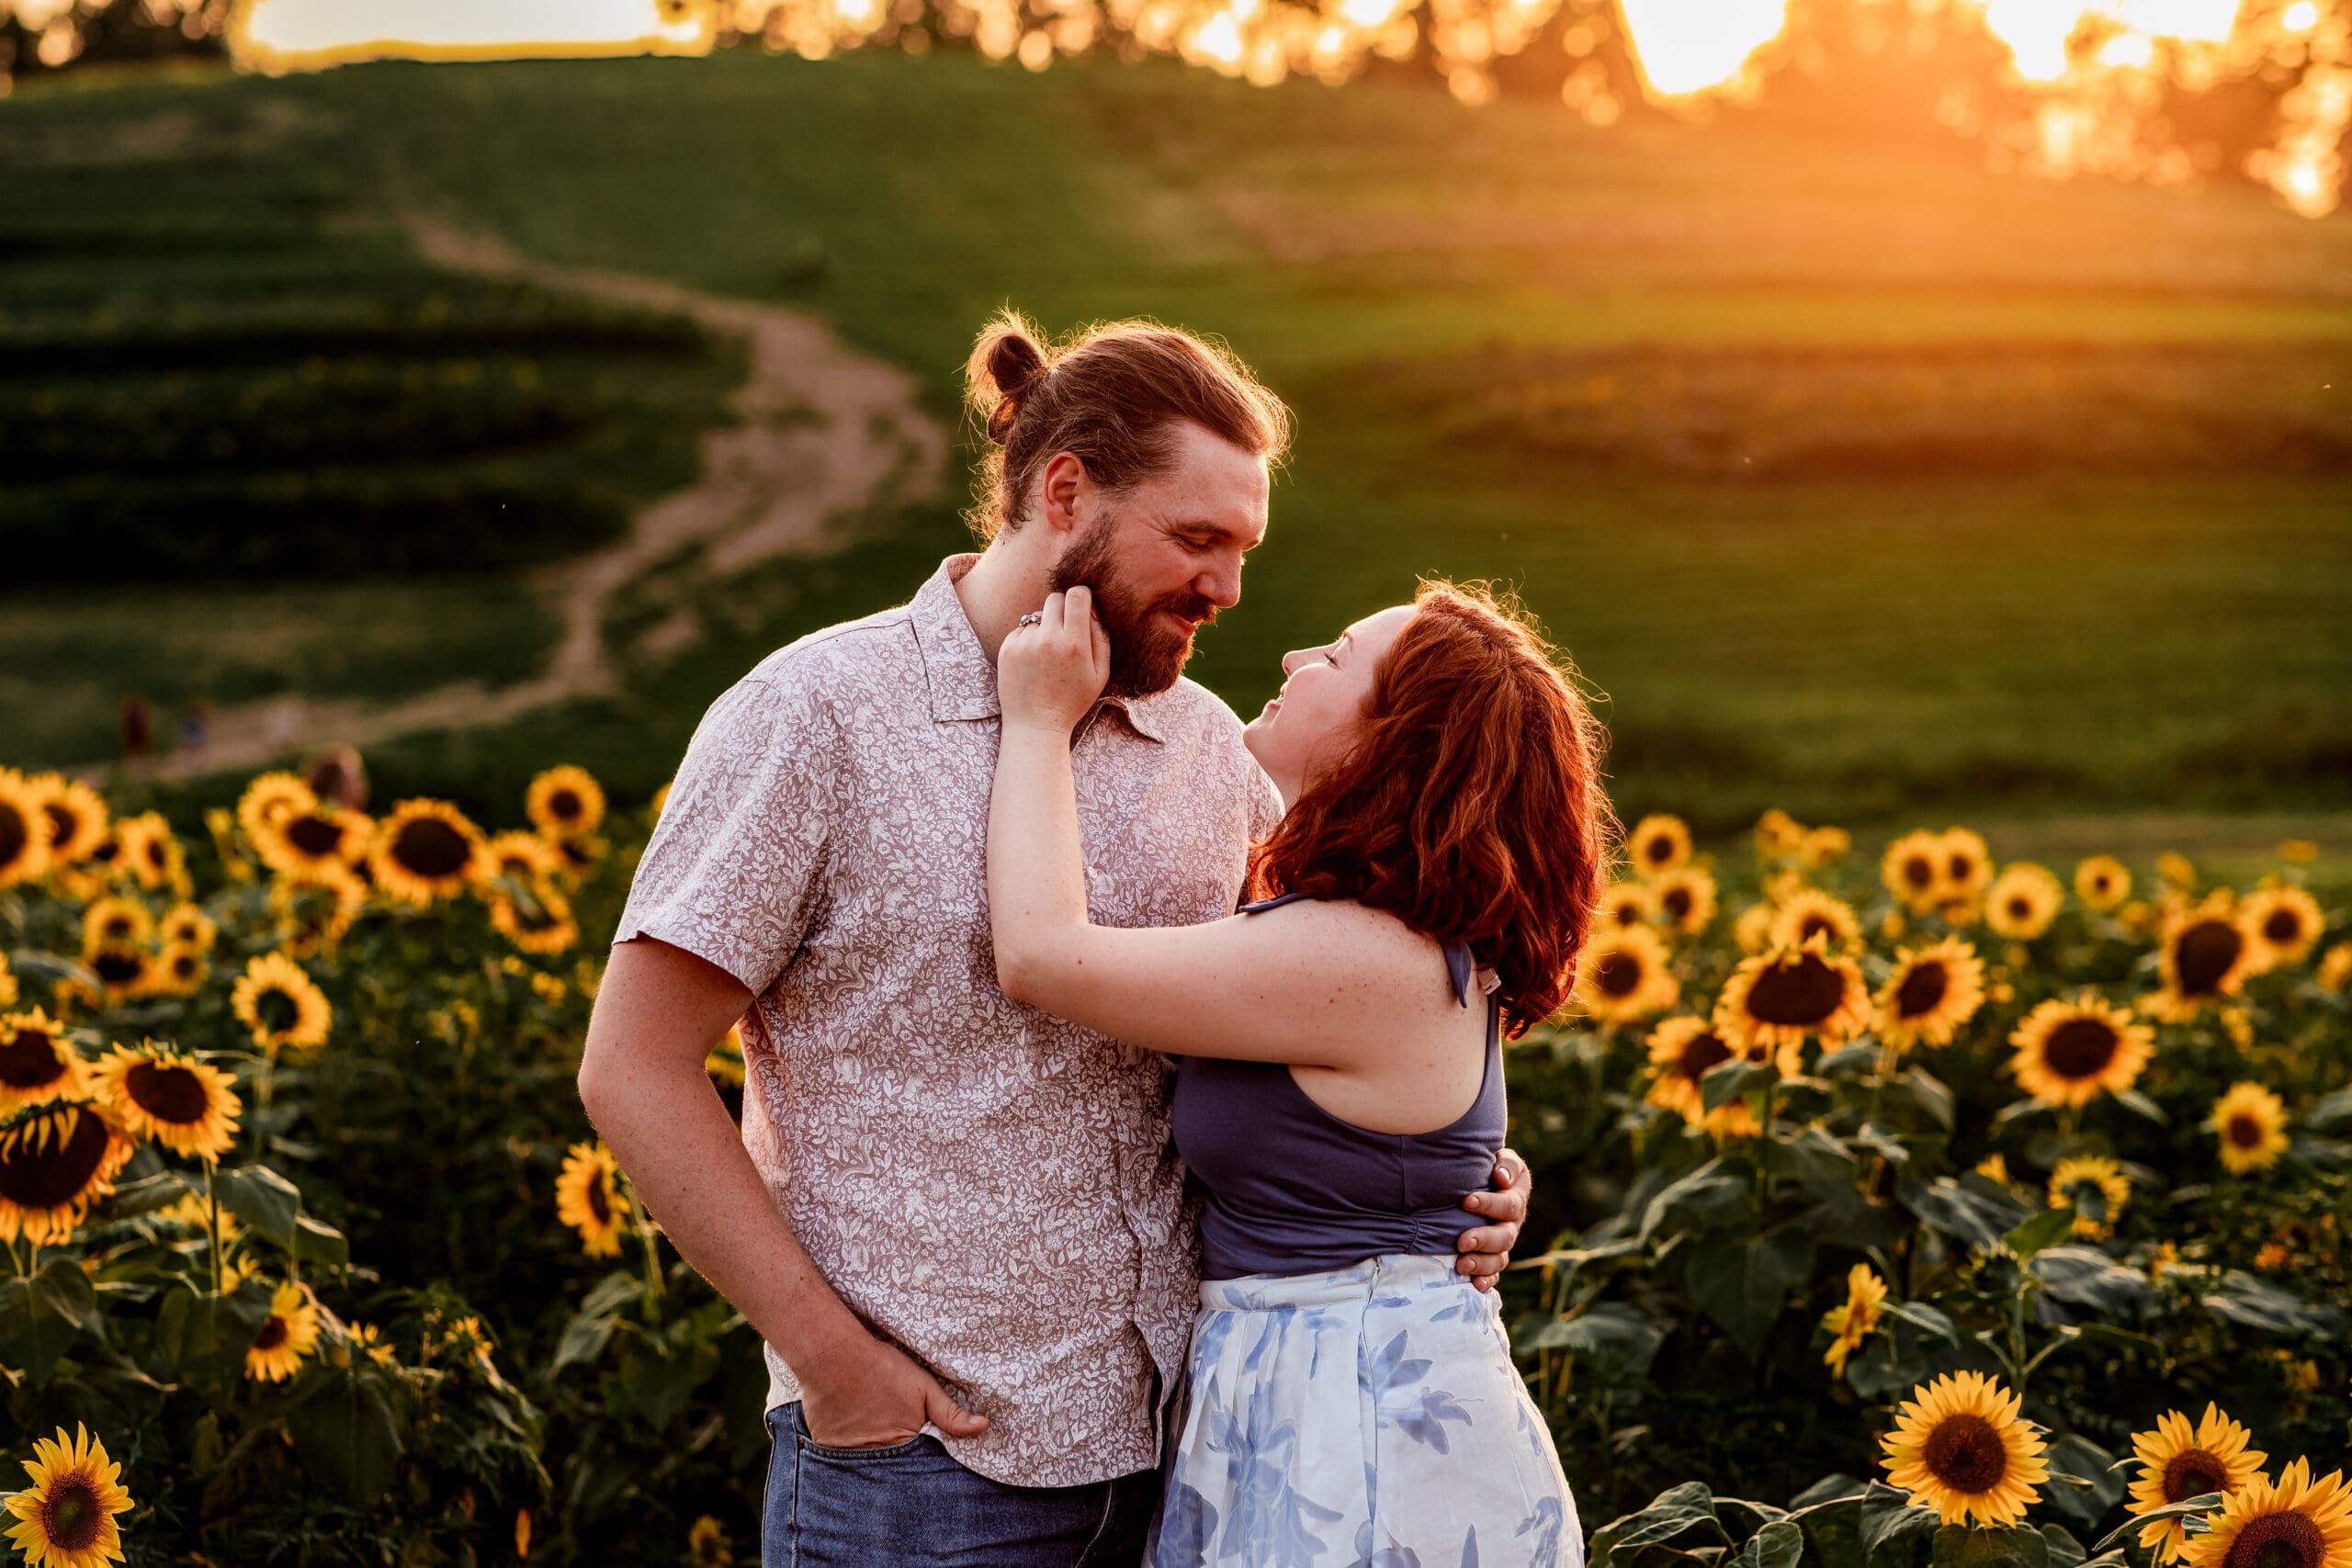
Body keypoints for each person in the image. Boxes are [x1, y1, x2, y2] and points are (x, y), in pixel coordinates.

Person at [576, 310, 1534, 1568]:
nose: (1229, 588)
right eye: (1197, 538)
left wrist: (1455, 1184)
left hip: (1186, 1457)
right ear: (1064, 491)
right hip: (925, 1462)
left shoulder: (1208, 750)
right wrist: (830, 1358)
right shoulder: (816, 714)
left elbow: (1365, 986)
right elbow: (633, 1066)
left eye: (1244, 547)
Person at [988, 581, 1611, 1566]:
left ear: (1388, 741)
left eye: (1334, 658)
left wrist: (1033, 717)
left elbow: (1037, 959)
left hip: (1355, 1422)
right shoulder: (1386, 940)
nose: (1291, 660)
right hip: (1319, 1392)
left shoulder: (1356, 953)